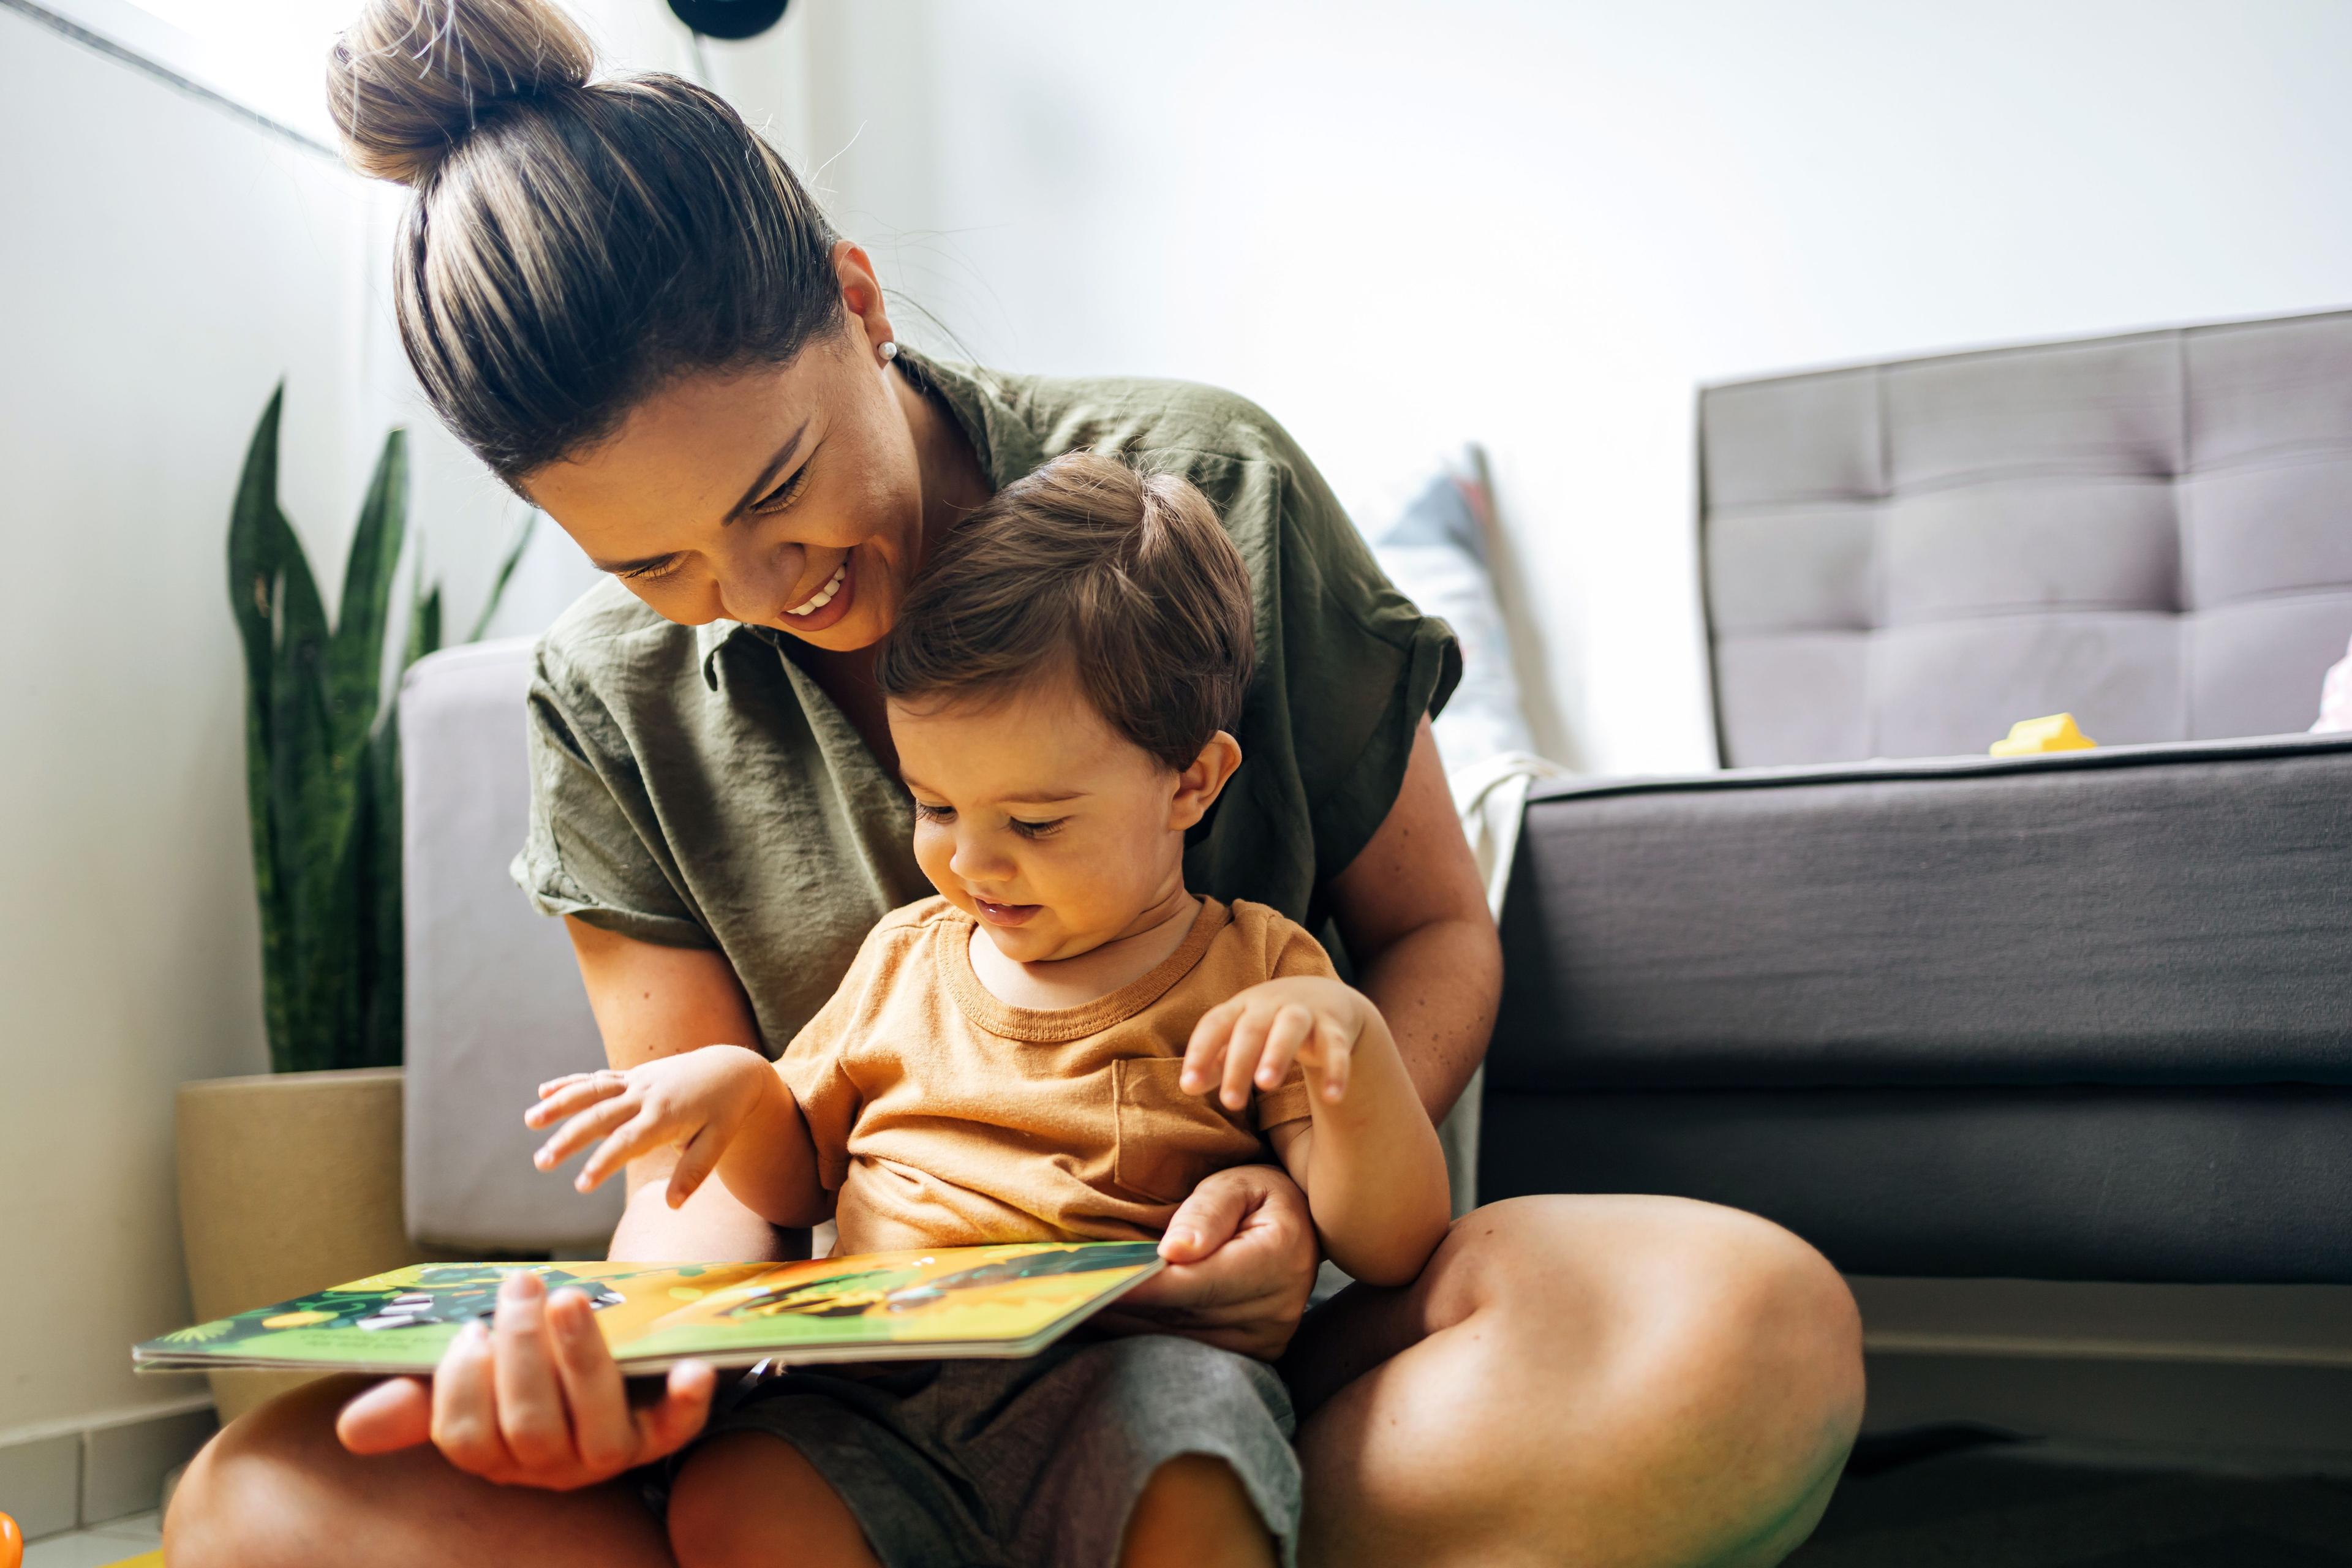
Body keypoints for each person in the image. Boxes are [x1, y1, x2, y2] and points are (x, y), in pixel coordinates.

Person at [165, 0, 1865, 1563]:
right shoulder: (609, 700)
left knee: (1746, 1329)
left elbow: (1432, 934)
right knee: (270, 1499)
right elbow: (708, 1188)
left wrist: (1308, 1186)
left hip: (1233, 1350)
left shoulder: (1203, 488)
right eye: (660, 564)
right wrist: (625, 1375)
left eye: (782, 489)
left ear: (857, 297)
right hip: (856, 1406)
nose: (764, 592)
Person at [521, 453, 1452, 1567]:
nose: (973, 861)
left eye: (1039, 823)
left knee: (1197, 1476)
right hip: (878, 1388)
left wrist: (1352, 1052)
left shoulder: (1258, 973)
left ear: (1192, 785)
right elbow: (802, 1179)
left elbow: (1390, 1244)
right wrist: (734, 1097)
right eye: (935, 804)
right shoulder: (906, 957)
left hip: (1131, 1376)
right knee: (738, 1490)